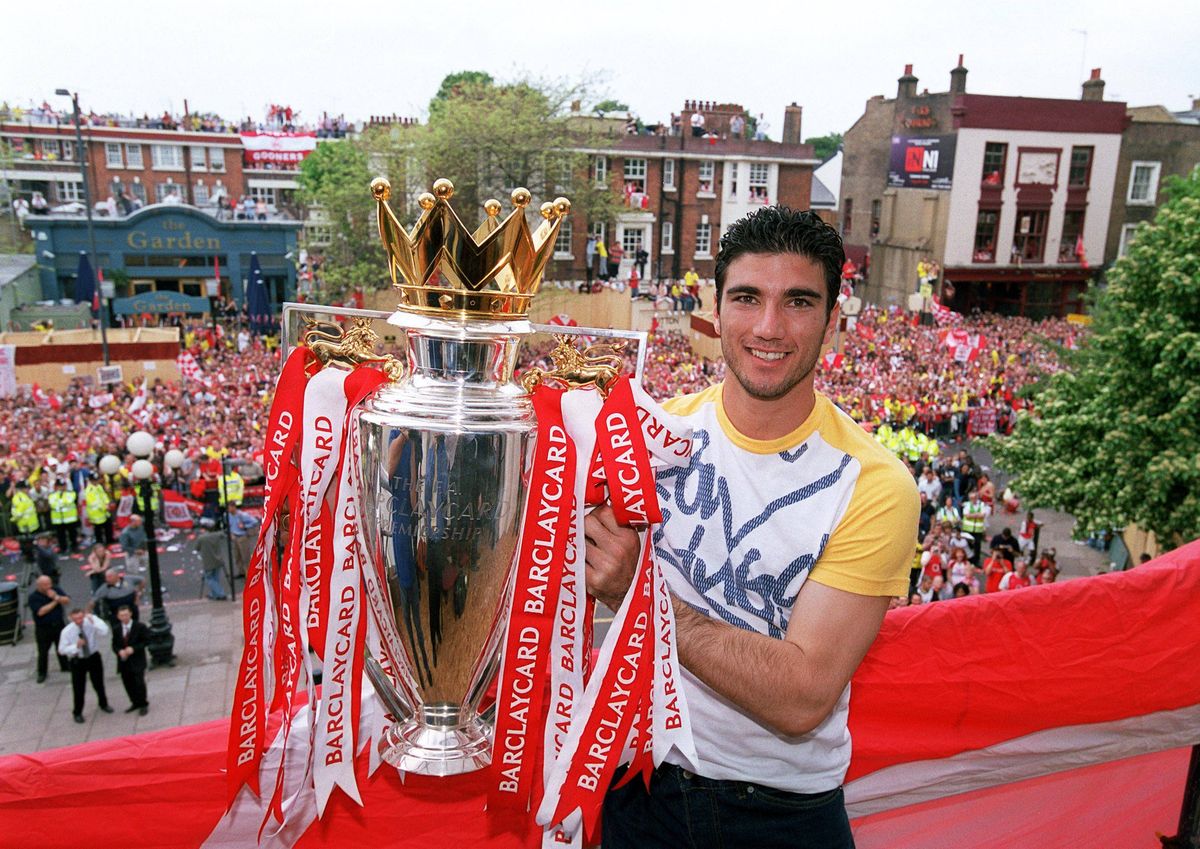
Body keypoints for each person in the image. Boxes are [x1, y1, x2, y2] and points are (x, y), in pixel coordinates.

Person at [587, 206, 918, 847]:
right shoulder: (646, 437)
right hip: (640, 790)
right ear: (715, 312)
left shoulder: (874, 485)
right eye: (747, 298)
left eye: (798, 301)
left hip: (779, 814)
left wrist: (643, 595)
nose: (769, 326)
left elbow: (801, 698)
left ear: (834, 323)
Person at [58, 608, 114, 723]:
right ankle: (77, 712)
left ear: (84, 615)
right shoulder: (67, 631)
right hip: (78, 660)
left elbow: (105, 631)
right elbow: (62, 650)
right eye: (76, 619)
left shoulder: (91, 621)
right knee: (78, 688)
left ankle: (103, 704)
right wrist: (76, 646)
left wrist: (94, 624)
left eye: (80, 618)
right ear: (71, 619)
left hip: (93, 656)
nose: (79, 621)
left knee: (98, 683)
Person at [27, 575, 71, 683]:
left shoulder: (55, 589)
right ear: (39, 586)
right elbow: (41, 611)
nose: (49, 586)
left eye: (49, 583)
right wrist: (55, 601)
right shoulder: (33, 597)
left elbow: (67, 600)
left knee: (61, 646)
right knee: (43, 651)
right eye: (46, 585)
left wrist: (57, 597)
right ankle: (42, 672)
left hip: (58, 624)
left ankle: (65, 665)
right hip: (43, 628)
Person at [111, 606, 150, 714]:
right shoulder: (116, 629)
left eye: (126, 615)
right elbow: (114, 645)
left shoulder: (140, 626)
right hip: (124, 661)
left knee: (139, 682)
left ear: (131, 614)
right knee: (128, 683)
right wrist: (119, 651)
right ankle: (135, 702)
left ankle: (143, 703)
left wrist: (134, 648)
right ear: (118, 617)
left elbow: (147, 640)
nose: (124, 617)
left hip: (137, 660)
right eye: (122, 615)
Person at [47, 478, 80, 552]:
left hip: (70, 518)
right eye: (60, 486)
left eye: (63, 486)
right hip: (58, 519)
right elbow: (53, 504)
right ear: (56, 487)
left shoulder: (71, 493)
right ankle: (63, 548)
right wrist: (61, 503)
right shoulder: (52, 495)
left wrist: (60, 502)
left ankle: (74, 546)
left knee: (72, 534)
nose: (61, 488)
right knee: (60, 535)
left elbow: (69, 501)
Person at [227, 503, 258, 578]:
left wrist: (245, 526)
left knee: (245, 556)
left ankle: (249, 574)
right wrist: (231, 533)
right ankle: (241, 572)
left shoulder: (242, 515)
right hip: (235, 537)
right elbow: (230, 525)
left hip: (242, 537)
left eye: (229, 508)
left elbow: (255, 522)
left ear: (234, 507)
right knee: (237, 556)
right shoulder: (229, 515)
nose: (228, 510)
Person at [195, 529, 229, 600]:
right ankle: (215, 595)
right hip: (218, 560)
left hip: (208, 562)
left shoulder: (201, 538)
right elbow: (223, 534)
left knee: (210, 579)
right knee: (215, 578)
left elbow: (197, 548)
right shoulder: (216, 535)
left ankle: (220, 594)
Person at [82, 472, 113, 546]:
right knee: (98, 530)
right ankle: (100, 543)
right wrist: (104, 507)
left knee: (108, 526)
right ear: (90, 480)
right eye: (94, 480)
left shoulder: (99, 486)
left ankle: (109, 541)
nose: (96, 482)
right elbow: (93, 502)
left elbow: (104, 496)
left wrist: (107, 503)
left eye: (96, 480)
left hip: (104, 511)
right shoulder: (88, 490)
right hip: (96, 513)